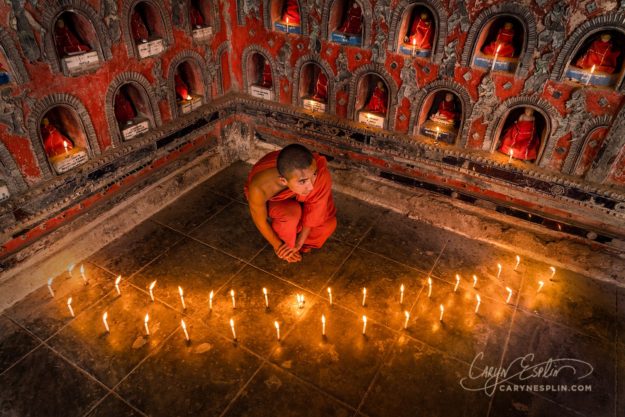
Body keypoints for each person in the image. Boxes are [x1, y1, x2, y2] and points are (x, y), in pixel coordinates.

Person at [244, 144, 337, 263]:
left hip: (299, 199)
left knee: (328, 225)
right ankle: (287, 244)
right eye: (302, 181)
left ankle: (295, 242)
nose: (311, 186)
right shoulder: (259, 189)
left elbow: (315, 211)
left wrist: (299, 243)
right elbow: (260, 221)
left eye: (313, 175)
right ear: (283, 181)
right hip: (279, 204)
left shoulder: (316, 169)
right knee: (291, 214)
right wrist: (278, 246)